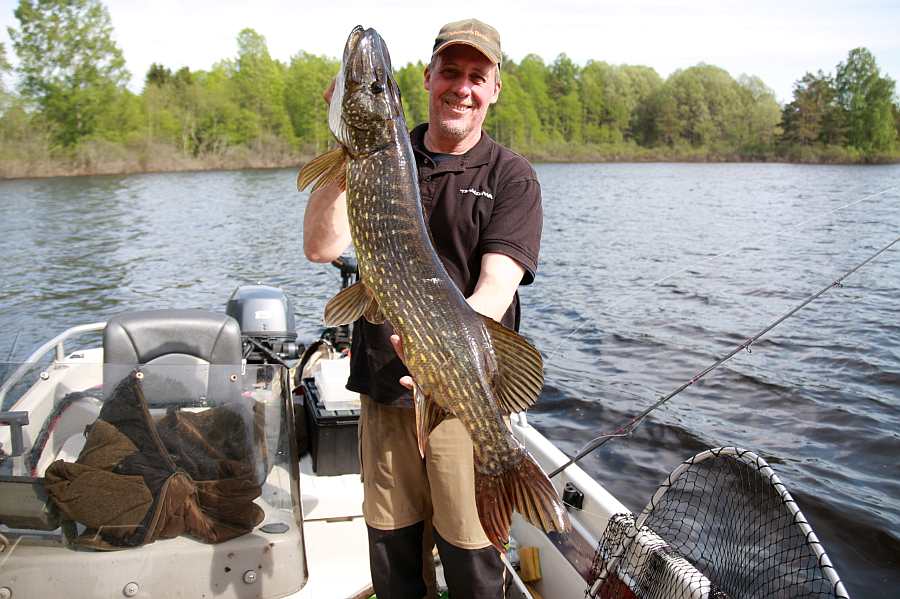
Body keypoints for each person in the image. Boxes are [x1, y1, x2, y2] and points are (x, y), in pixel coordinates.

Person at [303, 18, 543, 599]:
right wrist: (343, 146)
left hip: (465, 394)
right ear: (428, 77)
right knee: (393, 556)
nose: (461, 87)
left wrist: (440, 357)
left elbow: (496, 286)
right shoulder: (384, 154)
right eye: (450, 72)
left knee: (471, 559)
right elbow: (320, 248)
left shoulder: (511, 176)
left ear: (493, 89)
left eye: (475, 77)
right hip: (385, 390)